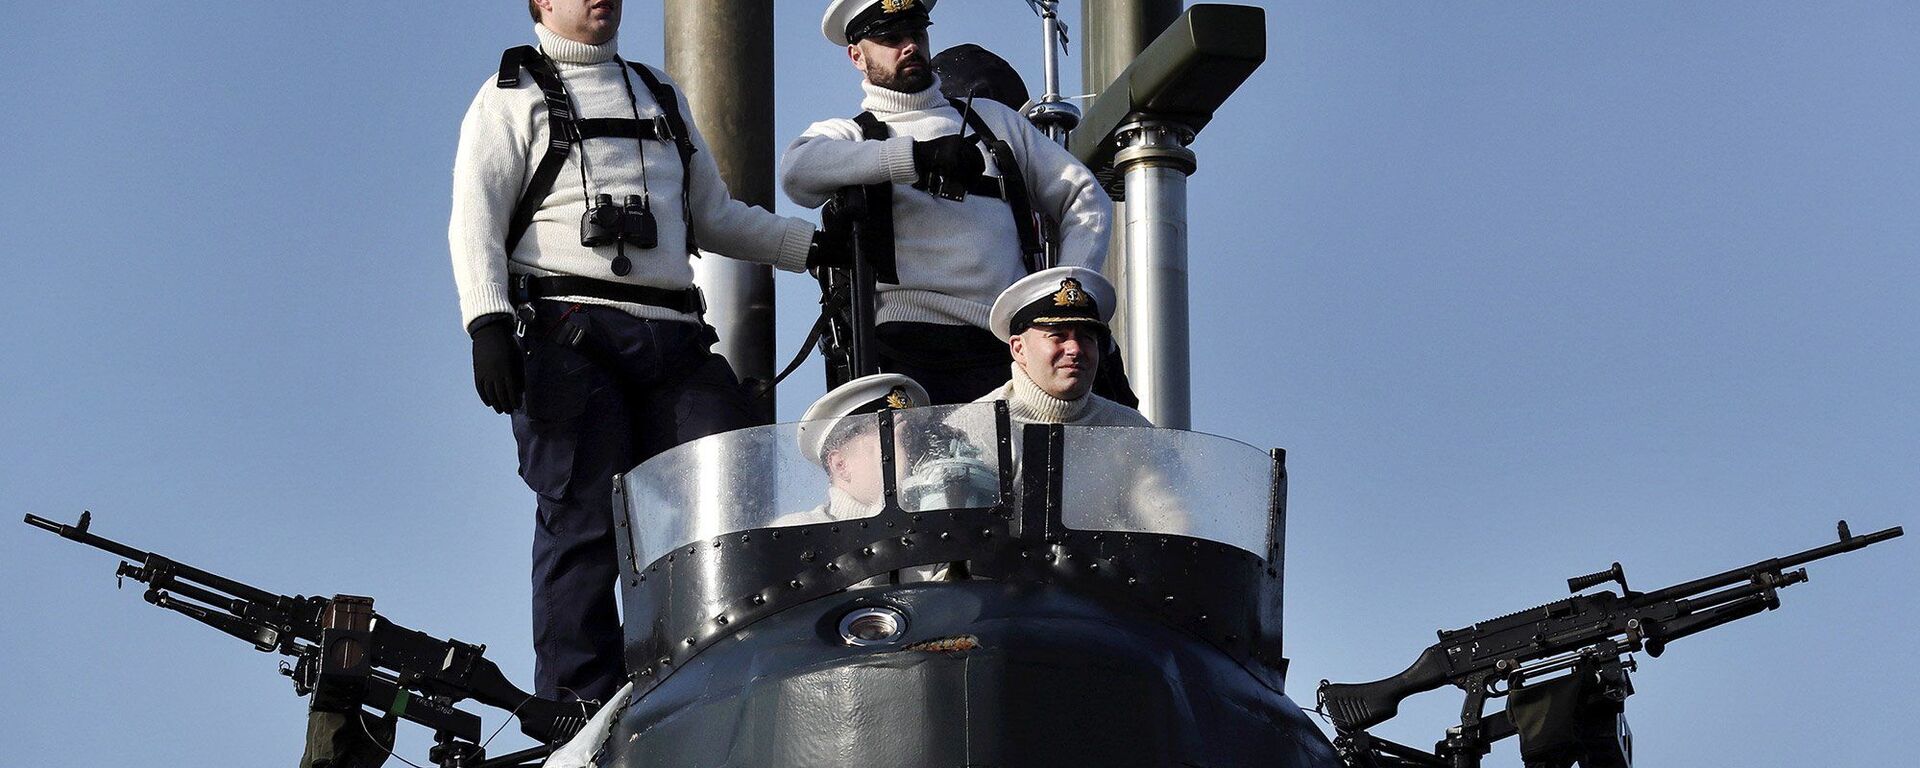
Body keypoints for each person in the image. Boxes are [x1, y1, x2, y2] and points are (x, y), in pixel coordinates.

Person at [448, 0, 848, 707]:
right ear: (541, 3)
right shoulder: (511, 96)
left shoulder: (658, 93)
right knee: (583, 525)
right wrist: (487, 323)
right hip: (570, 333)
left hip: (674, 338)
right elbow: (475, 217)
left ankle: (721, 683)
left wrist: (810, 247)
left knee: (732, 495)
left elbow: (713, 217)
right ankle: (577, 711)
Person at [781, 0, 1113, 405]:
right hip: (905, 346)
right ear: (857, 56)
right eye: (891, 38)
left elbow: (1084, 197)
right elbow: (797, 171)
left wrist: (1063, 295)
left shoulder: (996, 122)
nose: (909, 46)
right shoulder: (851, 134)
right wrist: (914, 158)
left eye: (916, 33)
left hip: (1004, 341)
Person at [976, 266, 1150, 428]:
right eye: (1058, 336)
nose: (1075, 349)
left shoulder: (1132, 430)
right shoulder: (976, 429)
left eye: (1087, 338)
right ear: (1019, 349)